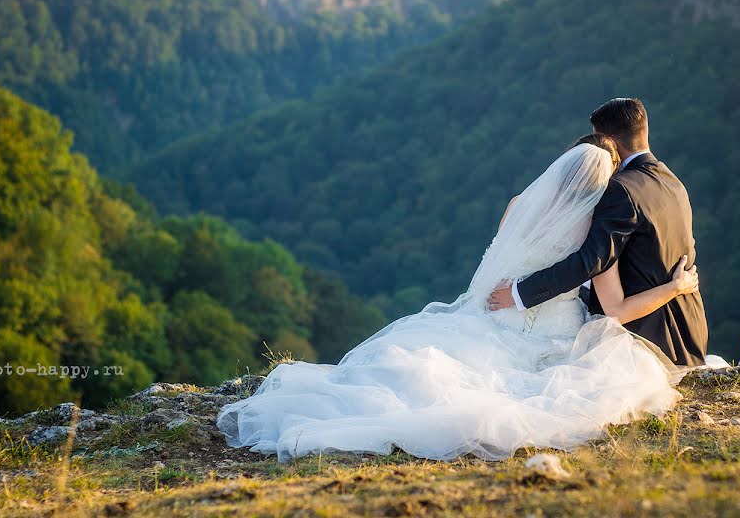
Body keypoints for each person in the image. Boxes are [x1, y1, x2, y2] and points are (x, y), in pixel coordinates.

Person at [218, 130, 704, 462]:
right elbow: (615, 310)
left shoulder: (520, 207)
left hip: (485, 314)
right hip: (545, 329)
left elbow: (506, 260)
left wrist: (512, 295)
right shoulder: (594, 236)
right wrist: (675, 287)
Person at [490, 98, 709, 367]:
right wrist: (677, 287)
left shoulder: (619, 190)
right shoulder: (673, 181)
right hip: (689, 329)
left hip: (650, 335)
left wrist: (519, 294)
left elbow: (591, 261)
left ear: (608, 143)